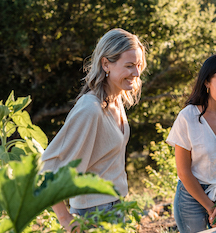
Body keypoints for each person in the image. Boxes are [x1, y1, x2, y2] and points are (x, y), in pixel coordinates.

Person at [40, 28, 147, 232]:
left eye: (139, 65)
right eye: (129, 65)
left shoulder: (116, 101)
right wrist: (65, 220)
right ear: (106, 63)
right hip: (94, 212)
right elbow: (48, 168)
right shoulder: (90, 108)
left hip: (116, 207)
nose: (136, 72)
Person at [166, 54, 216, 233]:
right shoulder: (188, 117)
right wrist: (210, 207)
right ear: (207, 83)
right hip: (191, 197)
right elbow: (183, 171)